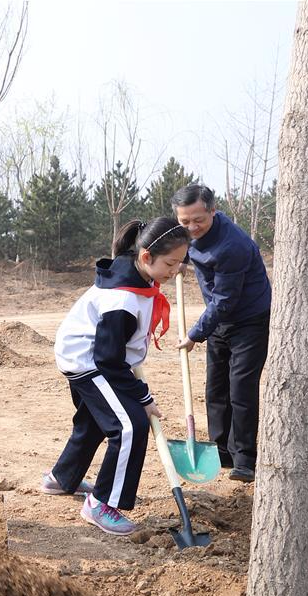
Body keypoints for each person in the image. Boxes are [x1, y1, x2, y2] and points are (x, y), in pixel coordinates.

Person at [48, 218, 189, 535]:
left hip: (91, 354)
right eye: (170, 263)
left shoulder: (136, 275)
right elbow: (109, 360)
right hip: (88, 360)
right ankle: (101, 504)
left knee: (96, 420)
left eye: (180, 263)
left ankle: (61, 478)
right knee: (129, 425)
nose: (175, 271)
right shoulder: (121, 300)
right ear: (145, 257)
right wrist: (143, 397)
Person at [171, 184, 271, 483]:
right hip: (219, 318)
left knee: (240, 388)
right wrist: (180, 261)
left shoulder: (232, 245)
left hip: (248, 320)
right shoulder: (188, 234)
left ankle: (245, 459)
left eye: (197, 220)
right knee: (216, 389)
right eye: (184, 222)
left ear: (213, 211)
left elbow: (226, 300)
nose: (191, 227)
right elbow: (179, 246)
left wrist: (194, 334)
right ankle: (220, 451)